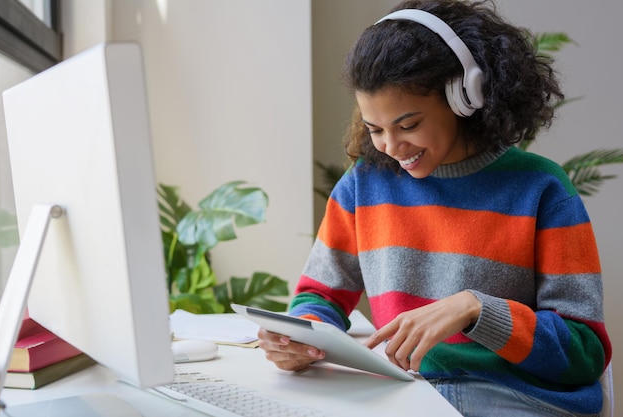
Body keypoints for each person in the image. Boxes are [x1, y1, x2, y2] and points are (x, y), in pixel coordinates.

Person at [257, 1, 612, 416]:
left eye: (408, 125)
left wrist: (475, 309)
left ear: (465, 97)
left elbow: (584, 352)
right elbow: (321, 294)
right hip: (407, 393)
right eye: (375, 129)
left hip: (513, 396)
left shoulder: (542, 189)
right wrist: (301, 338)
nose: (391, 146)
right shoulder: (365, 184)